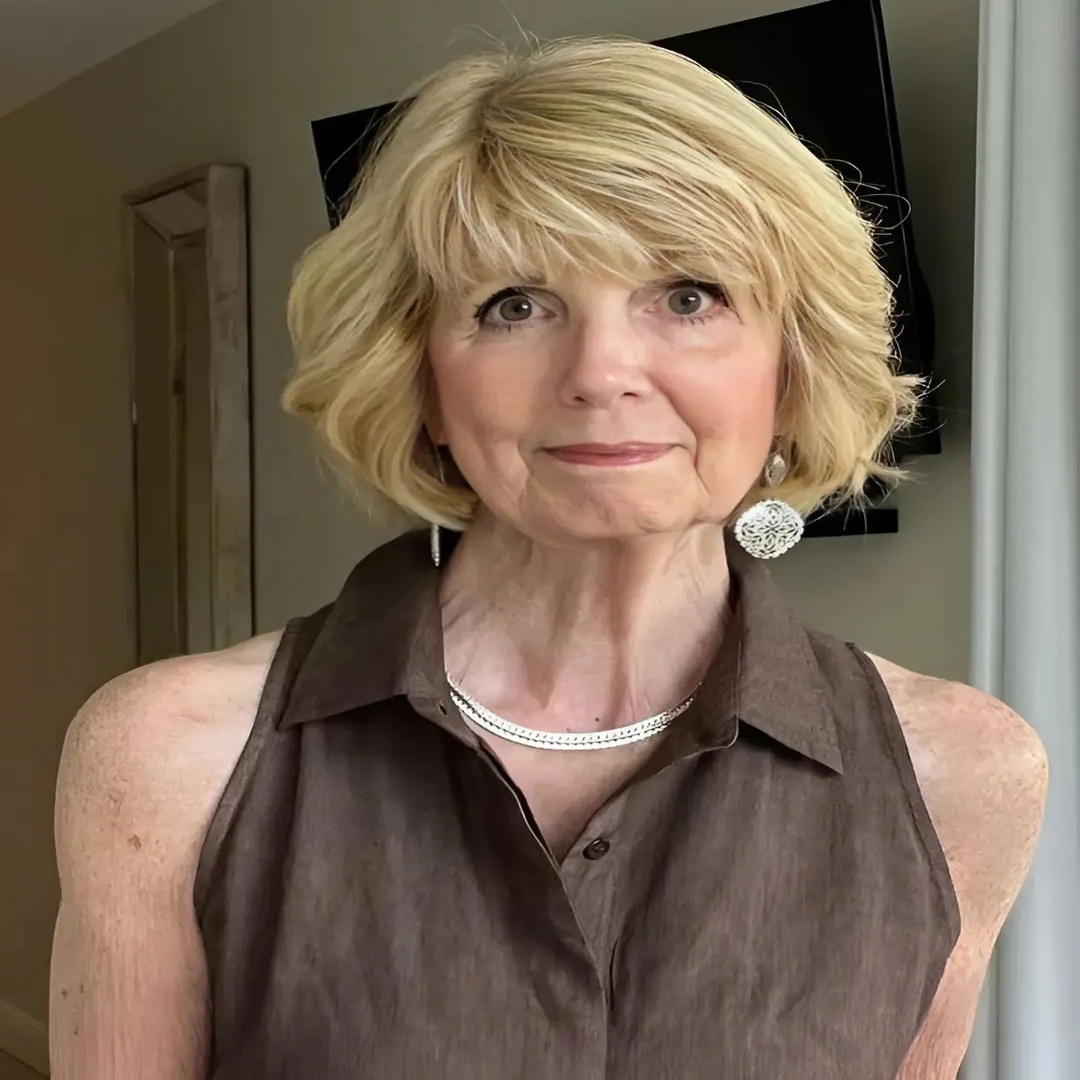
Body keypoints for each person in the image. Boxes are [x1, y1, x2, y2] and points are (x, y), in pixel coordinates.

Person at [50, 37, 1047, 1080]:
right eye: (514, 305)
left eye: (689, 296)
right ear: (419, 378)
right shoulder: (169, 758)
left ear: (791, 369)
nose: (601, 373)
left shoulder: (962, 774)